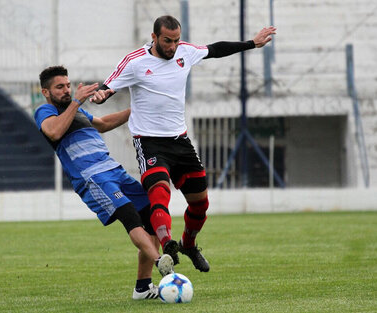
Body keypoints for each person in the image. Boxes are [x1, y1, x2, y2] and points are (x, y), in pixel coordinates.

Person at [90, 15, 276, 273]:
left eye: (176, 40)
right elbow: (108, 87)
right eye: (167, 41)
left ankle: (188, 244)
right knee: (159, 192)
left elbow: (215, 49)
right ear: (154, 37)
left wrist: (251, 44)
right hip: (150, 142)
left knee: (200, 203)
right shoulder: (134, 62)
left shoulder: (185, 52)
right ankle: (168, 245)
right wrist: (99, 95)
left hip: (181, 142)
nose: (172, 46)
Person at [34, 65, 174, 300]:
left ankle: (142, 287)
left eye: (68, 85)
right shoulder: (45, 111)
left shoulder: (74, 110)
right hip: (92, 176)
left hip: (113, 169)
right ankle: (162, 263)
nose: (66, 90)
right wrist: (76, 102)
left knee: (151, 215)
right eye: (60, 87)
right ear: (46, 92)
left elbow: (104, 123)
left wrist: (137, 108)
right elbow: (55, 132)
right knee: (130, 216)